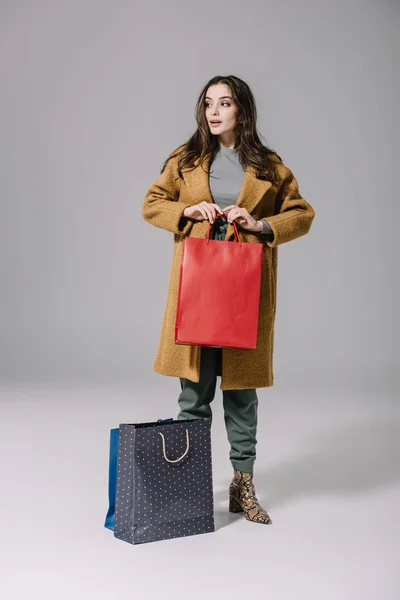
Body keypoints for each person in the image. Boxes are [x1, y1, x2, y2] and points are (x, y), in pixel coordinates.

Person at [142, 75, 315, 525]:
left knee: (241, 394)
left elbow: (301, 214)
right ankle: (185, 486)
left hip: (244, 292)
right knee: (193, 393)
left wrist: (259, 224)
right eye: (207, 103)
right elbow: (152, 203)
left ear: (243, 111)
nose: (214, 112)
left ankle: (243, 484)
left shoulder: (269, 166)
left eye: (224, 103)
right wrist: (186, 211)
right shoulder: (186, 161)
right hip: (197, 290)